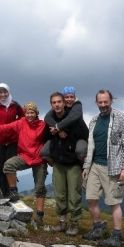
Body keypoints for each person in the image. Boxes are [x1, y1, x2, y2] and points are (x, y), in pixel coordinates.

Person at [82, 89, 124, 247]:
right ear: (96, 102)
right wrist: (86, 166)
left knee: (114, 202)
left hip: (113, 167)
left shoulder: (121, 118)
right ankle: (98, 227)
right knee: (91, 198)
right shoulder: (93, 121)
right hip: (94, 166)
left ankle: (116, 236)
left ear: (111, 101)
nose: (103, 105)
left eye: (106, 102)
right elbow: (91, 146)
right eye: (100, 102)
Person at [0, 102, 47, 226]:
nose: (29, 115)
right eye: (27, 112)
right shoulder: (21, 123)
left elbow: (50, 137)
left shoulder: (42, 125)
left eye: (32, 112)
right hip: (25, 157)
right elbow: (5, 127)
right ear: (25, 113)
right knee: (8, 165)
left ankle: (39, 216)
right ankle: (13, 192)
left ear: (36, 113)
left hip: (39, 159)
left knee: (39, 188)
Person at [45, 92, 89, 235]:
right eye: (54, 102)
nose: (57, 104)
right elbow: (47, 137)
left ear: (64, 103)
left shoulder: (74, 119)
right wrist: (57, 131)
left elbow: (84, 135)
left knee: (74, 196)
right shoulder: (50, 119)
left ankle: (74, 224)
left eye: (59, 102)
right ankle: (62, 223)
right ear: (51, 105)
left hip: (73, 163)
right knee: (60, 195)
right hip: (58, 163)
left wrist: (64, 131)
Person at [0, 83, 24, 197]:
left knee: (10, 167)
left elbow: (23, 117)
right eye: (0, 92)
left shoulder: (15, 105)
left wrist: (16, 127)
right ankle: (4, 194)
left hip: (12, 141)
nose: (3, 94)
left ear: (8, 92)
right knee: (0, 168)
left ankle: (12, 194)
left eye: (5, 91)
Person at [42, 86, 87, 164]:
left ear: (75, 97)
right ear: (63, 99)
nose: (69, 99)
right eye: (66, 97)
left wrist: (57, 127)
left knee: (80, 151)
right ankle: (54, 163)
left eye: (71, 97)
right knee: (44, 152)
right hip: (69, 135)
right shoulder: (60, 106)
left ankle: (83, 166)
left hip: (81, 136)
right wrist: (58, 130)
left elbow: (73, 117)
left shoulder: (77, 105)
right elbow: (47, 117)